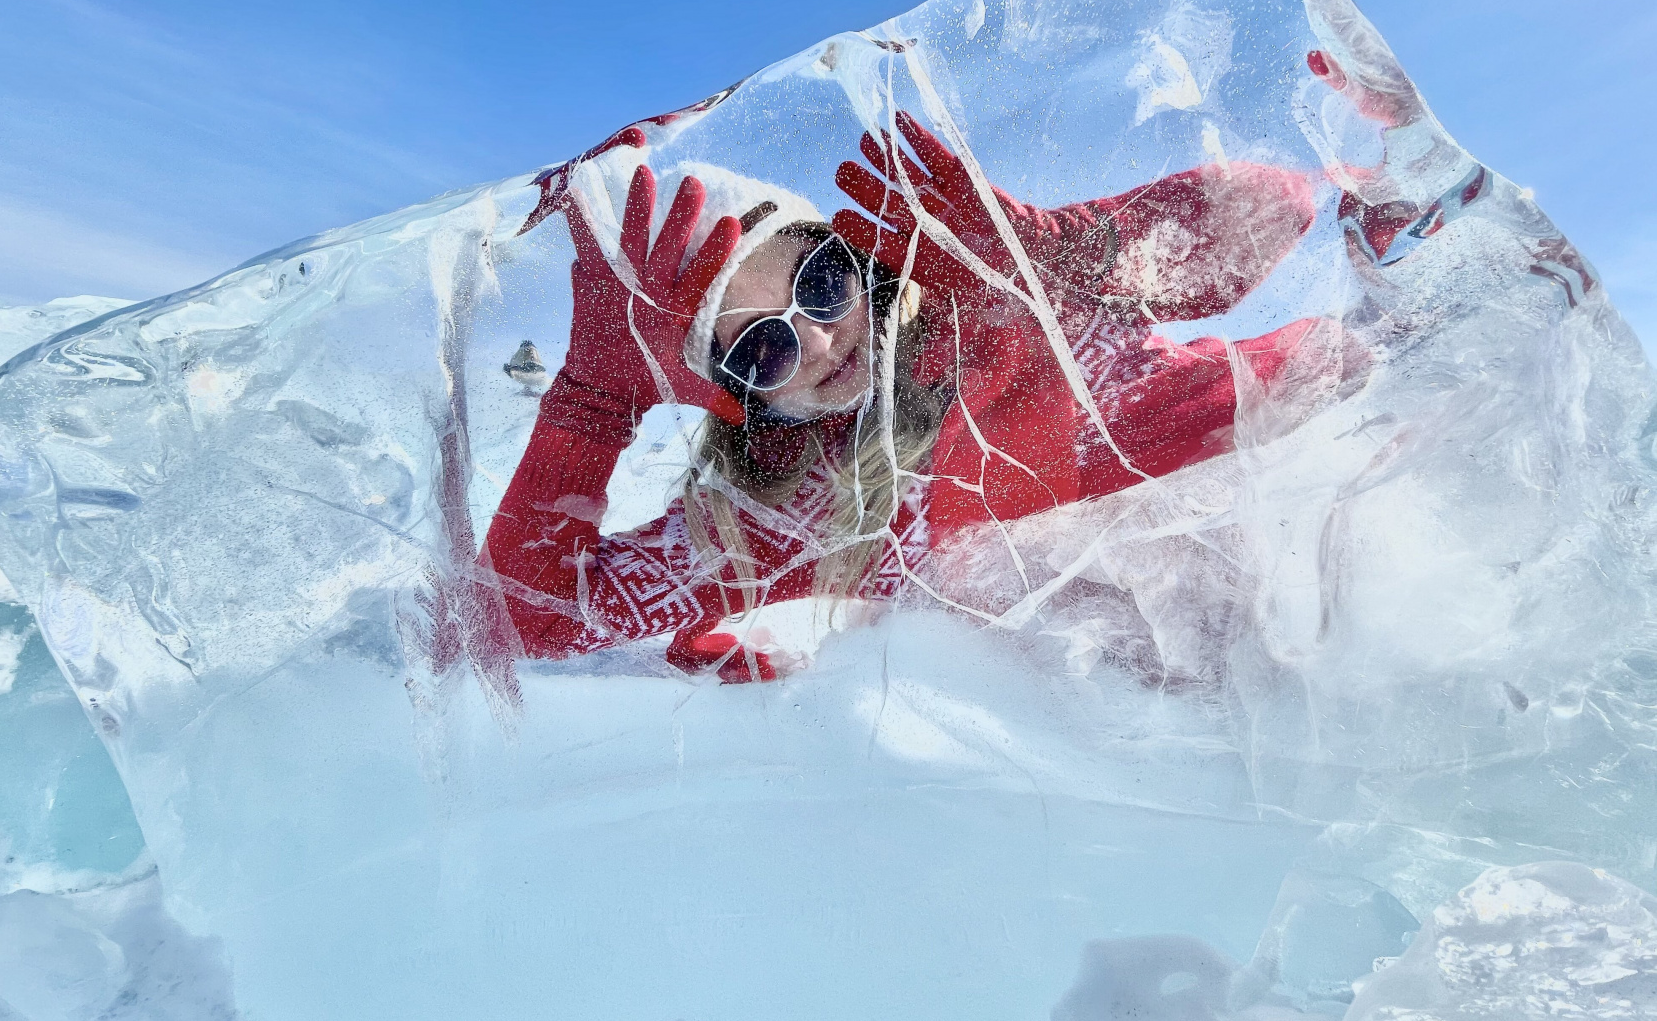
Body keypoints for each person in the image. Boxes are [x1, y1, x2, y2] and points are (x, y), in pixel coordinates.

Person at [482, 111, 1365, 682]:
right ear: (730, 393)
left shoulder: (999, 291)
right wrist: (592, 405)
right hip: (1222, 700)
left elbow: (1282, 209)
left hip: (1354, 497)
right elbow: (532, 623)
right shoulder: (799, 508)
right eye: (763, 346)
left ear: (856, 258)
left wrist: (1073, 249)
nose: (821, 340)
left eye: (820, 285)